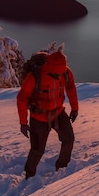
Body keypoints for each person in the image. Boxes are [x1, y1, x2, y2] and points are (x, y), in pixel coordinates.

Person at [17, 50, 79, 179]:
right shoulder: (35, 76)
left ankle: (62, 168)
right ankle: (29, 175)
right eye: (57, 72)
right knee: (37, 150)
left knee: (68, 139)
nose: (60, 74)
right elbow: (22, 99)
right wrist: (23, 123)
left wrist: (75, 109)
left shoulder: (66, 72)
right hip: (39, 117)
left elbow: (71, 88)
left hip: (58, 112)